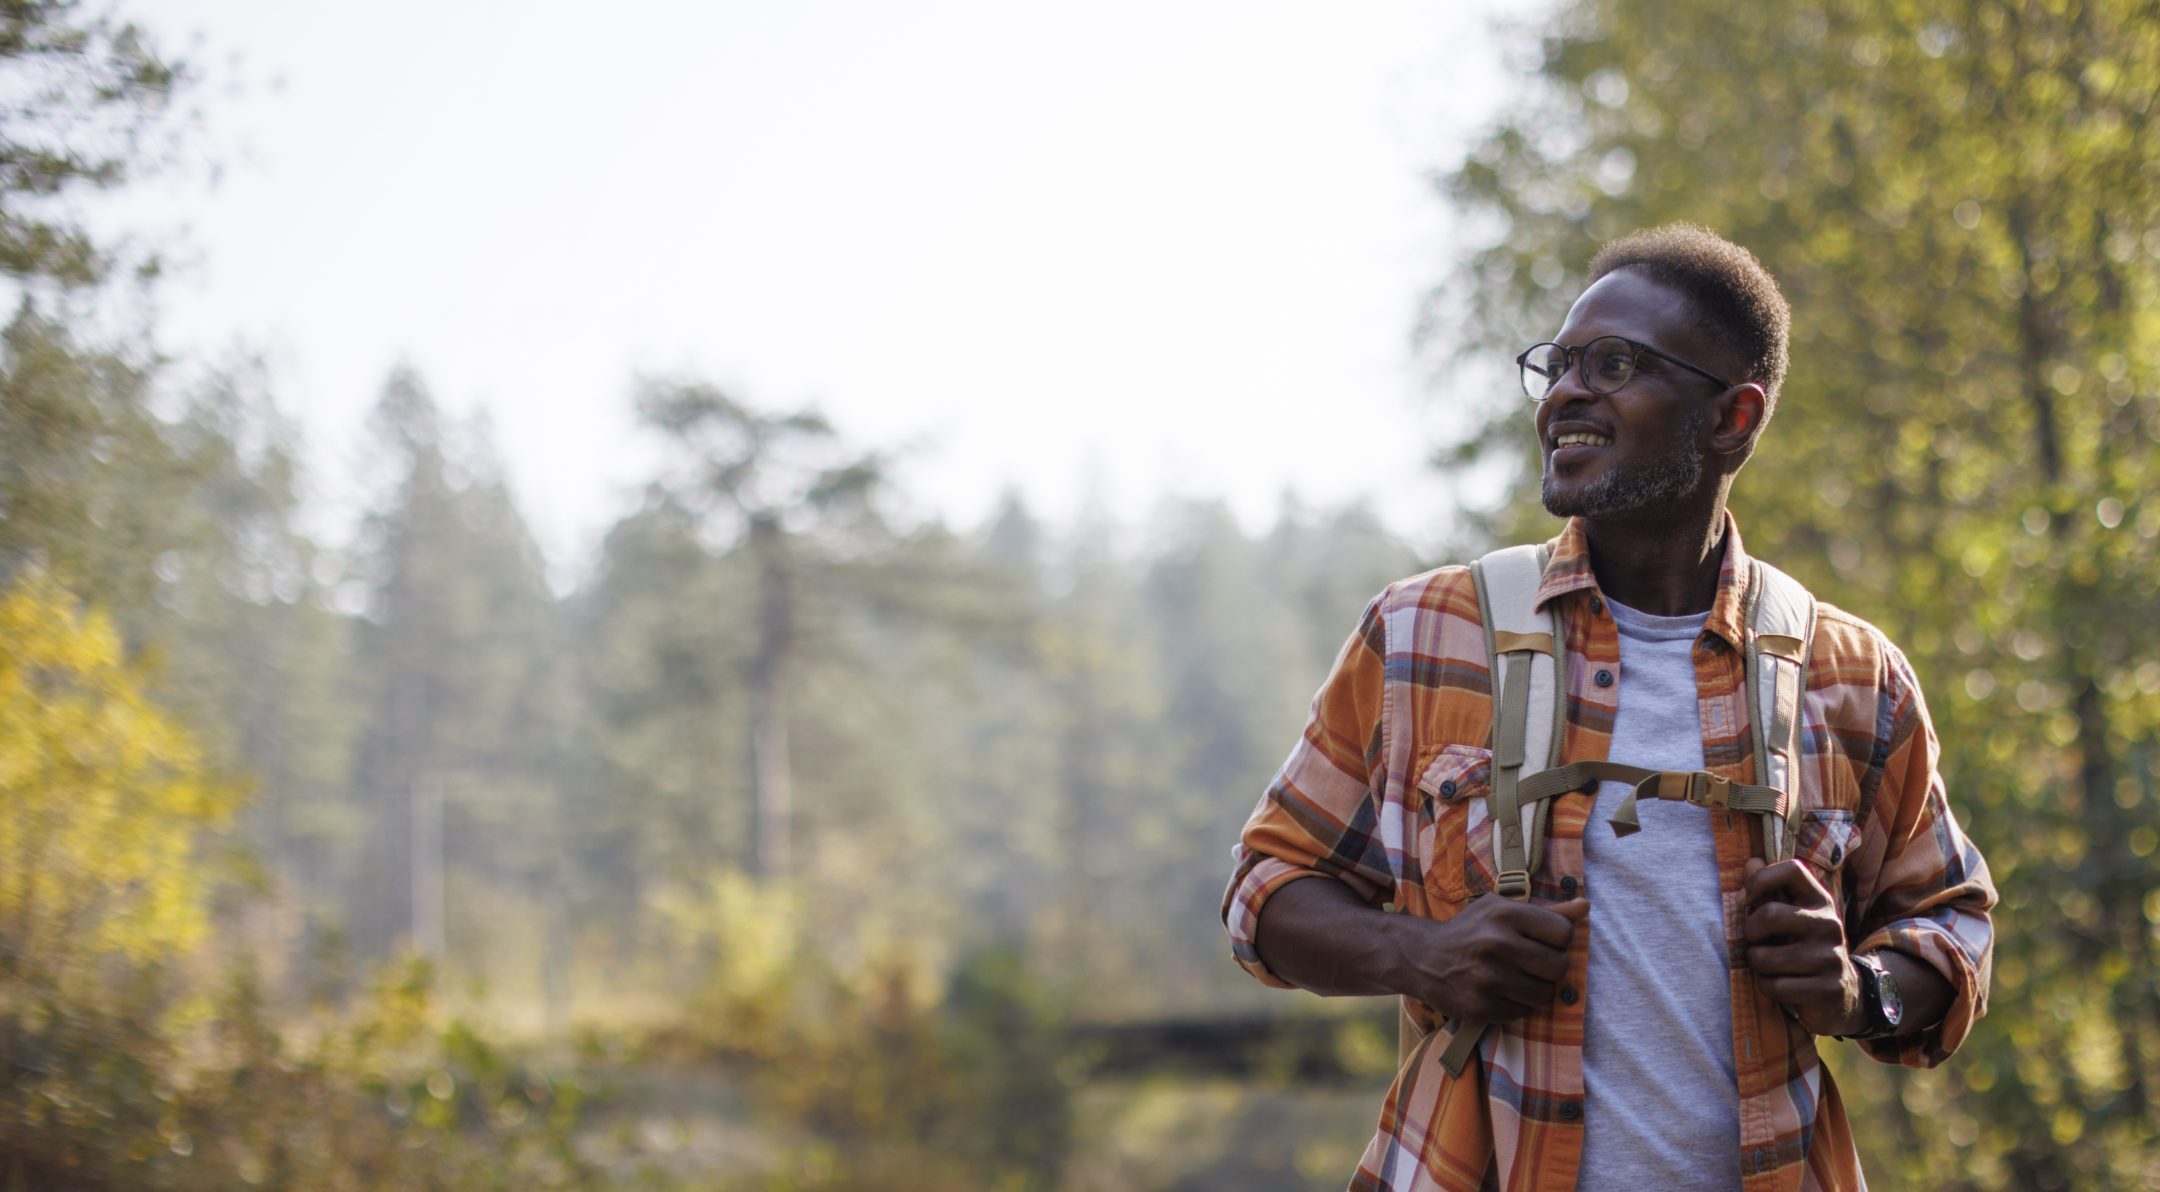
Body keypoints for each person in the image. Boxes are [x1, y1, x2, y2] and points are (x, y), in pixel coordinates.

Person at [1220, 224, 1996, 1191]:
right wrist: (1422, 952)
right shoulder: (1426, 632)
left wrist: (1856, 989)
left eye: (1615, 364)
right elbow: (1266, 891)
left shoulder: (1852, 674)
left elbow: (1953, 924)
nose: (1565, 394)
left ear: (1733, 418)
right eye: (1557, 365)